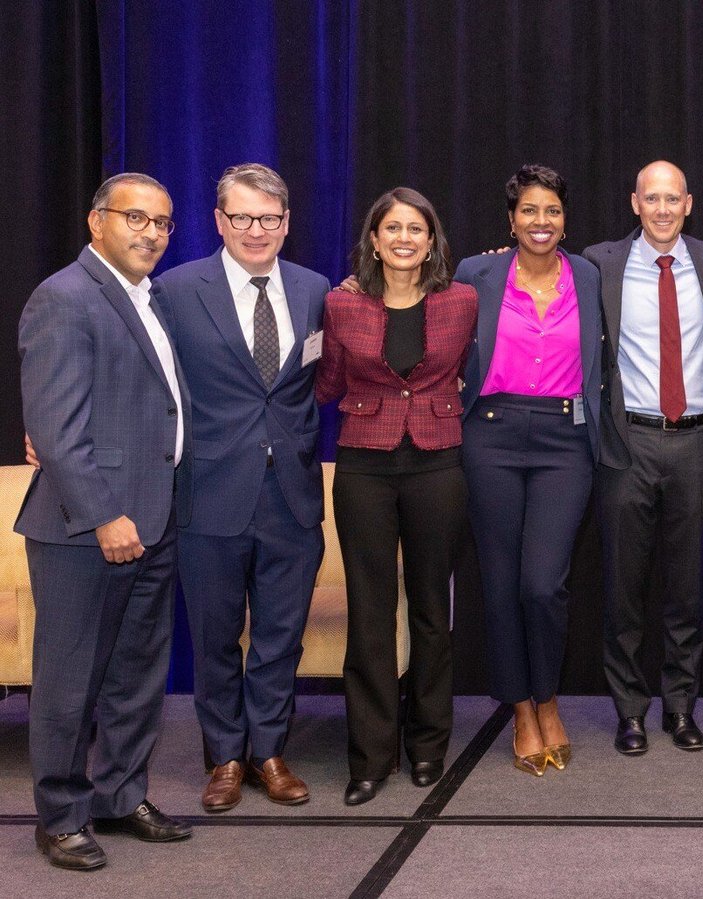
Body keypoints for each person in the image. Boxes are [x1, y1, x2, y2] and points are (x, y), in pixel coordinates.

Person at [18, 173, 193, 869]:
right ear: (97, 223)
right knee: (70, 678)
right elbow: (56, 429)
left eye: (163, 223)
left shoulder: (148, 300)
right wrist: (103, 515)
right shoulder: (64, 298)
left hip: (154, 518)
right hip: (86, 529)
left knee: (136, 674)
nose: (151, 232)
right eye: (136, 218)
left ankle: (120, 795)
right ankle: (60, 816)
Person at [154, 163, 329, 812]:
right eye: (242, 217)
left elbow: (317, 378)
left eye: (270, 218)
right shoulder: (175, 289)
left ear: (287, 223)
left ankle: (269, 752)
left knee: (281, 637)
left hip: (291, 494)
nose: (256, 230)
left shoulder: (315, 288)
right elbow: (146, 380)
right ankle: (225, 756)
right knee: (217, 635)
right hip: (207, 494)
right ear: (219, 221)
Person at [315, 187, 477, 805]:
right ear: (374, 240)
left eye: (417, 228)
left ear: (431, 240)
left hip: (439, 463)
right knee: (371, 612)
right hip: (364, 467)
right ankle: (370, 756)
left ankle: (429, 745)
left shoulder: (462, 299)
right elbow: (326, 382)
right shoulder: (342, 304)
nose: (405, 238)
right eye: (393, 229)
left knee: (434, 610)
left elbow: (479, 367)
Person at [455, 165, 605, 776]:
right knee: (499, 580)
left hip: (566, 439)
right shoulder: (476, 273)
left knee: (543, 582)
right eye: (529, 212)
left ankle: (548, 695)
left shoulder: (590, 276)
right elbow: (411, 292)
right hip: (489, 434)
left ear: (565, 219)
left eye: (552, 212)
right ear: (510, 219)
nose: (541, 222)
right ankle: (521, 708)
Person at [583, 161, 703, 755]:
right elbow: (534, 275)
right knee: (623, 587)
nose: (664, 209)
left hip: (697, 441)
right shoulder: (599, 264)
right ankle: (629, 712)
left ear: (689, 203)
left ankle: (680, 708)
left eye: (674, 198)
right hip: (628, 442)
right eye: (653, 199)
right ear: (635, 203)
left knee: (687, 587)